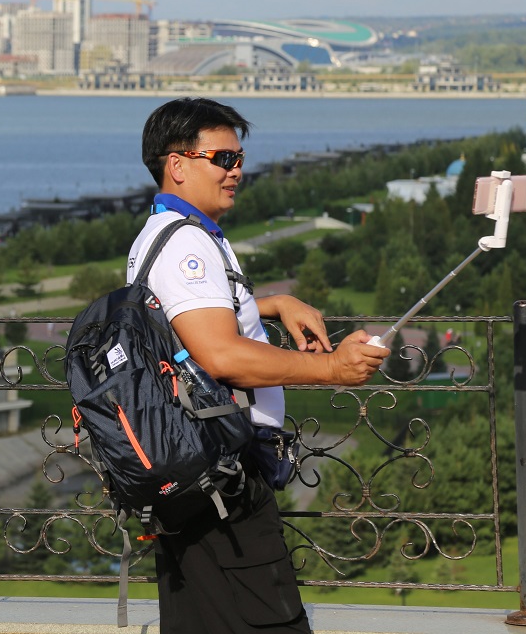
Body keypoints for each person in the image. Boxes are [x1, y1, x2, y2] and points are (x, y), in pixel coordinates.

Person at [131, 98, 388, 634]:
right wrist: (335, 371)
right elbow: (221, 355)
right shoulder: (188, 246)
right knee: (271, 621)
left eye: (240, 157)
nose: (237, 171)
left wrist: (271, 304)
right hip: (223, 476)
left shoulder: (167, 233)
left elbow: (188, 320)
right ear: (177, 164)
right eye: (222, 158)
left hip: (192, 471)